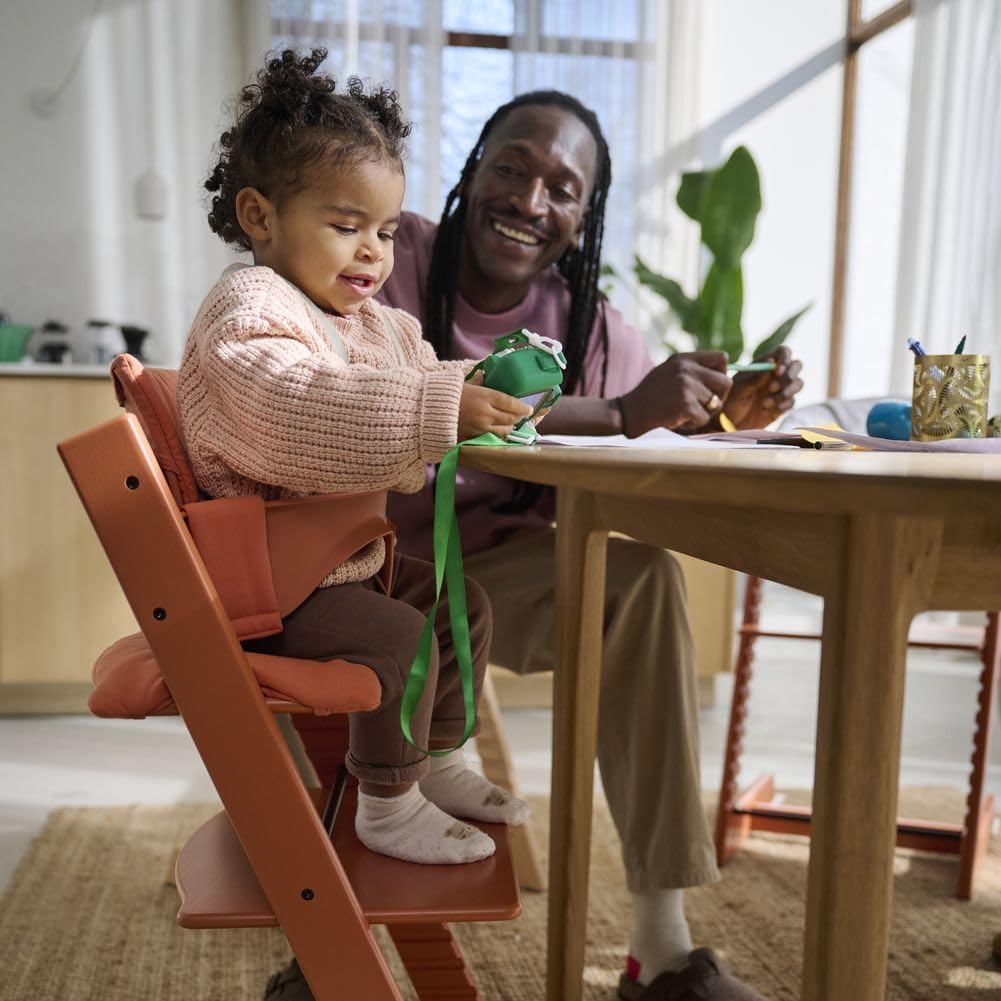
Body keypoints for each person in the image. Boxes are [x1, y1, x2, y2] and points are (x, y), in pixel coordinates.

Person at [374, 91, 804, 1001]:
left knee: (639, 576)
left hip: (496, 582)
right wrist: (614, 411)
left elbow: (633, 451)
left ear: (584, 215)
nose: (531, 200)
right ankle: (327, 932)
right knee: (357, 637)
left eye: (562, 189)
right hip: (368, 570)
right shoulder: (391, 255)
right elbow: (388, 380)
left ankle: (661, 949)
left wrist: (718, 422)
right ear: (473, 168)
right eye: (513, 167)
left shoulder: (591, 328)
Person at [177, 49, 535, 874]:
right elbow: (293, 406)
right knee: (400, 634)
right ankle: (387, 799)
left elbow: (421, 372)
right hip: (265, 581)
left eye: (384, 231)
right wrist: (435, 409)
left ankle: (438, 758)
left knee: (460, 605)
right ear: (259, 217)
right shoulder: (249, 308)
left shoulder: (368, 321)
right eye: (345, 226)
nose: (371, 252)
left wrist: (483, 384)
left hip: (333, 562)